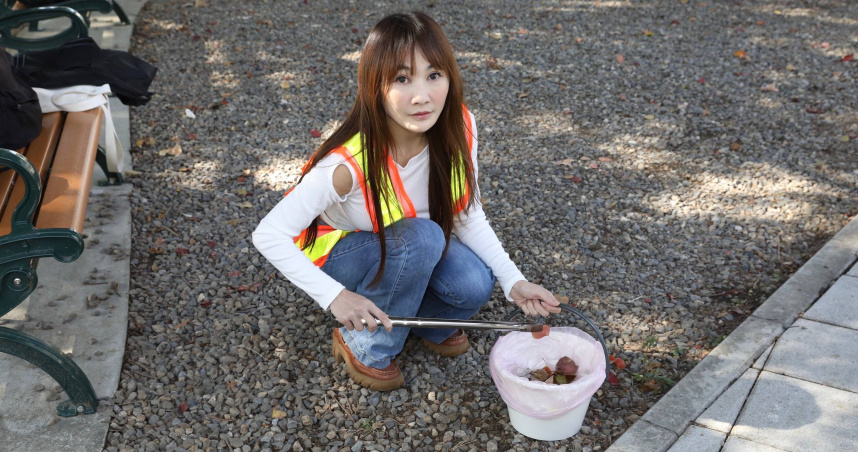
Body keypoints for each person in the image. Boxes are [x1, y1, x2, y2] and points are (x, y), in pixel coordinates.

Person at [253, 11, 562, 391]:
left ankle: (421, 319)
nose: (422, 96)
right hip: (342, 259)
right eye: (402, 78)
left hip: (407, 245)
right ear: (375, 87)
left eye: (434, 75)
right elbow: (268, 234)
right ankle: (365, 345)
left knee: (474, 285)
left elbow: (466, 211)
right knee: (424, 238)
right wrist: (335, 298)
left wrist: (514, 282)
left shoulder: (458, 127)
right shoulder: (348, 164)